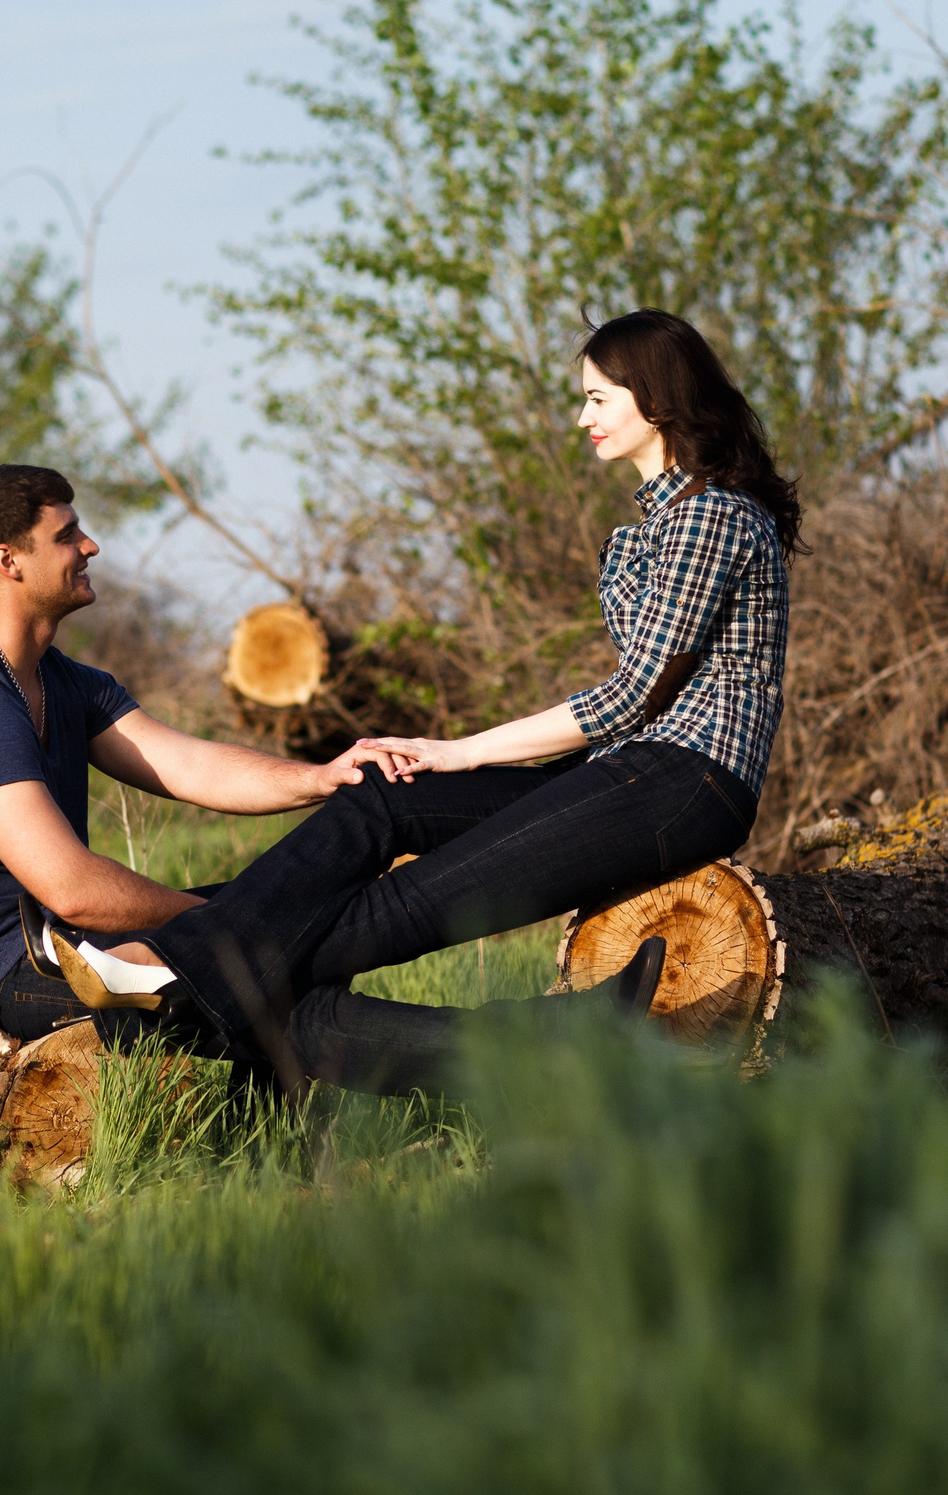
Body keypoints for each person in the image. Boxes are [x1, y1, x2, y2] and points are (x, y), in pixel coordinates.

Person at [84, 308, 797, 1095]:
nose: (581, 417)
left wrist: (460, 750)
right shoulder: (660, 525)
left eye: (598, 398)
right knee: (382, 792)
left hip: (682, 782)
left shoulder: (713, 516)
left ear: (655, 400)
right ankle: (188, 974)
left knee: (395, 909)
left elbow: (632, 696)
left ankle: (165, 971)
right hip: (626, 773)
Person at [0, 462, 400, 1057]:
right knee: (275, 953)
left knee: (310, 915)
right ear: (9, 561)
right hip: (16, 977)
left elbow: (191, 766)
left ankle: (274, 1119)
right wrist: (220, 919)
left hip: (77, 941)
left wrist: (322, 777)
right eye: (67, 535)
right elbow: (72, 889)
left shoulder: (62, 681)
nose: (90, 545)